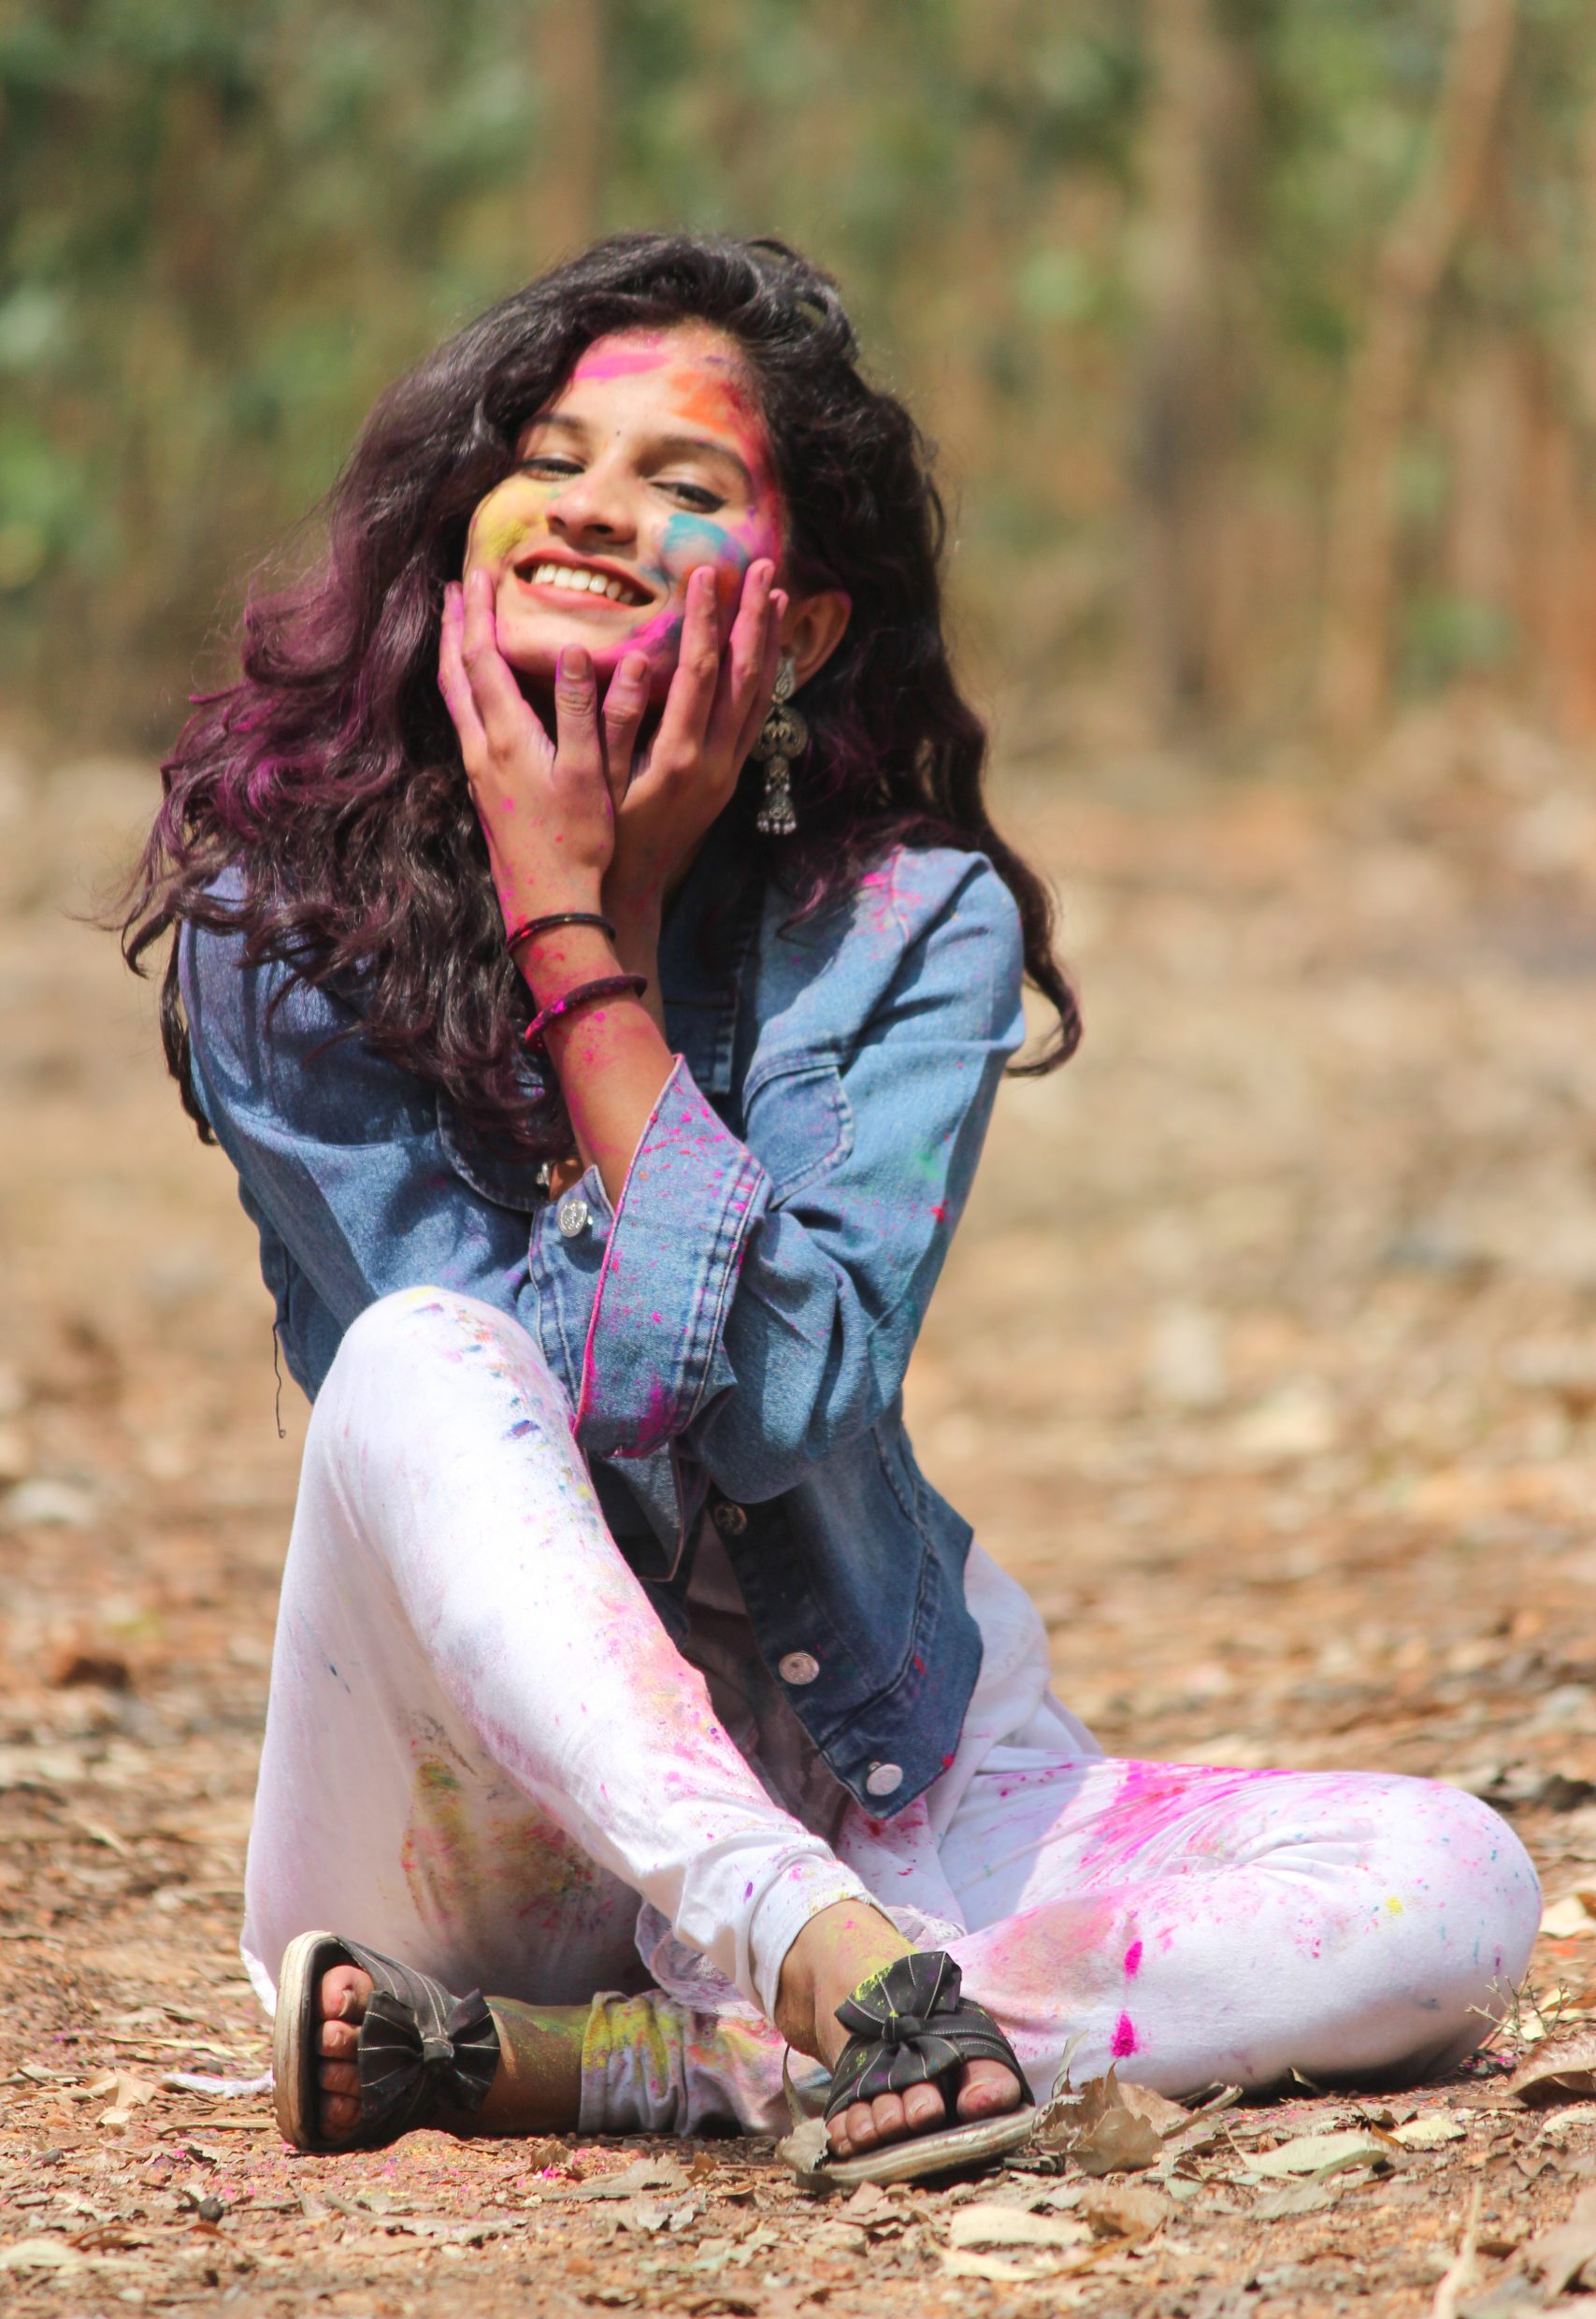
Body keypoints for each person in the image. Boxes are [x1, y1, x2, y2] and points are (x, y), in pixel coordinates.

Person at [123, 233, 1539, 2177]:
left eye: (682, 486)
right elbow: (544, 1452)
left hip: (891, 1772)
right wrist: (562, 919)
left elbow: (789, 1407)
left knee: (1449, 1888)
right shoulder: (274, 942)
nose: (595, 509)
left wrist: (593, 948)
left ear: (789, 635)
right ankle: (814, 1968)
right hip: (478, 1830)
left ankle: (625, 2059)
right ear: (463, 531)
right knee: (417, 1356)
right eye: (549, 455)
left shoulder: (898, 931)